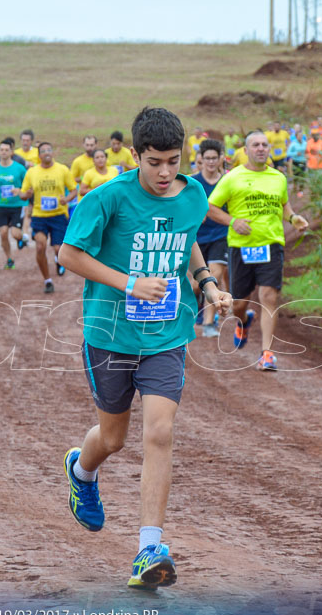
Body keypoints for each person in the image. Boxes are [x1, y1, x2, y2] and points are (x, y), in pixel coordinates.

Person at [58, 106, 232, 590]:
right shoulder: (107, 198)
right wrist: (129, 282)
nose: (164, 172)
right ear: (134, 155)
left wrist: (206, 286)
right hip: (109, 334)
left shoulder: (193, 193)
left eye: (174, 161)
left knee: (159, 432)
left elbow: (186, 240)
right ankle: (81, 471)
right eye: (154, 161)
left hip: (166, 336)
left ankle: (149, 549)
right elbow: (68, 253)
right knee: (112, 439)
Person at [206, 130, 308, 371]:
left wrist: (293, 218)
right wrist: (233, 222)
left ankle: (267, 354)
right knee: (239, 305)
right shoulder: (233, 178)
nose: (261, 148)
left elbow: (283, 204)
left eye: (264, 145)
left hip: (272, 245)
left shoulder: (278, 178)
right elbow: (210, 207)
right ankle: (243, 321)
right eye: (256, 145)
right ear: (247, 150)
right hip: (241, 248)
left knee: (269, 297)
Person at [18, 141, 76, 293]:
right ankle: (47, 280)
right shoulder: (32, 172)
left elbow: (73, 190)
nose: (47, 153)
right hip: (39, 216)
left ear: (53, 153)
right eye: (43, 151)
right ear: (39, 155)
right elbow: (23, 194)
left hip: (58, 215)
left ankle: (58, 261)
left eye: (49, 150)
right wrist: (26, 195)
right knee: (40, 246)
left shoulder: (62, 169)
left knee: (59, 249)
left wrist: (67, 199)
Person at [189, 139, 230, 338]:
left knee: (214, 276)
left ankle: (208, 323)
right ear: (201, 160)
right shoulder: (192, 182)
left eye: (215, 158)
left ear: (221, 158)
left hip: (221, 235)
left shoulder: (228, 181)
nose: (211, 162)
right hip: (197, 238)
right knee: (196, 283)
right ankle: (193, 305)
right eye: (207, 158)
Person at [0, 139, 29, 270]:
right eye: (1, 150)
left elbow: (28, 185)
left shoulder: (19, 168)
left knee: (15, 234)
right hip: (2, 206)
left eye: (6, 150)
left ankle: (22, 238)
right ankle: (9, 259)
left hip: (17, 205)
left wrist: (20, 191)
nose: (3, 152)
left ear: (11, 152)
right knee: (3, 233)